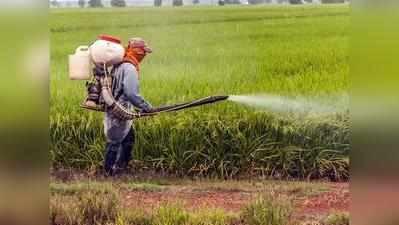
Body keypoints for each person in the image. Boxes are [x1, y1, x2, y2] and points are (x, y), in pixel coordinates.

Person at [102, 37, 154, 176]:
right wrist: (147, 107)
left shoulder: (119, 64)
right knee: (114, 142)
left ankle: (121, 168)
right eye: (143, 52)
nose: (144, 55)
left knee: (128, 139)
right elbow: (131, 93)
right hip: (120, 110)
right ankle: (108, 174)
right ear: (138, 51)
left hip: (117, 108)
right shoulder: (129, 67)